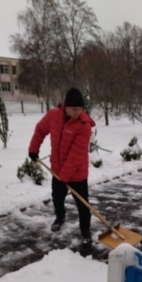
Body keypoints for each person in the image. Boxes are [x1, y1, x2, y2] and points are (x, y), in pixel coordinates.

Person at [28, 87, 96, 249]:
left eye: (80, 109)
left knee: (83, 204)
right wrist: (33, 149)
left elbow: (75, 155)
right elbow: (40, 130)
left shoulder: (83, 125)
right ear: (65, 106)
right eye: (74, 109)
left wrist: (64, 177)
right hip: (57, 171)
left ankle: (85, 231)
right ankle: (60, 217)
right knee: (57, 198)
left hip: (77, 174)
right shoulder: (53, 116)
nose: (77, 113)